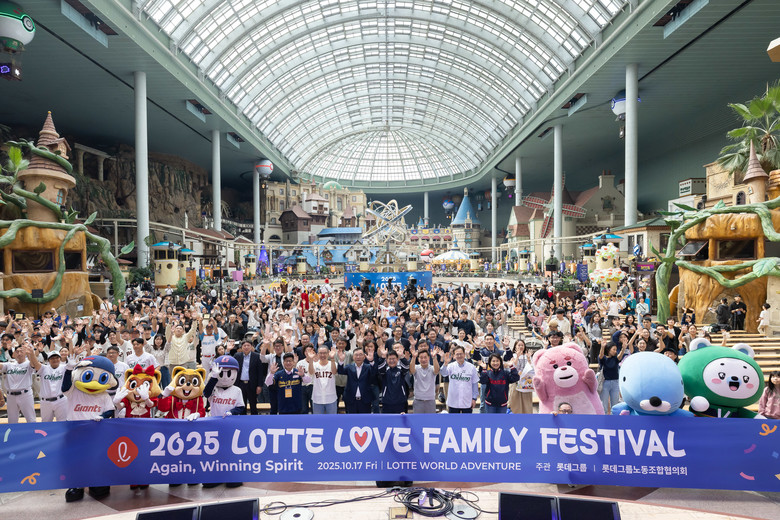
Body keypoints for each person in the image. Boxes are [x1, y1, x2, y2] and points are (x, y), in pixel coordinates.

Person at [27, 348, 67, 422]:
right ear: (48, 360)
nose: (55, 360)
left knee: (62, 423)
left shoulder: (64, 367)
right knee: (45, 423)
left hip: (61, 400)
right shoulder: (44, 368)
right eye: (52, 358)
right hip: (46, 402)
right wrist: (32, 353)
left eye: (57, 358)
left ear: (60, 359)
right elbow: (35, 363)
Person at [0, 345, 36, 423]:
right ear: (14, 354)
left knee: (31, 419)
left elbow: (34, 364)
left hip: (25, 394)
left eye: (21, 351)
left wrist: (31, 353)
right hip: (11, 396)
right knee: (12, 421)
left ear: (25, 353)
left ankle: (33, 432)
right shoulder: (9, 364)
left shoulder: (28, 363)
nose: (19, 353)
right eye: (17, 352)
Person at [439, 346, 479, 413]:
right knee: (454, 419)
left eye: (461, 354)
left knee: (467, 419)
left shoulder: (471, 367)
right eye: (457, 354)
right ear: (454, 356)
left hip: (467, 400)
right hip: (453, 401)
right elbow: (443, 373)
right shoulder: (450, 366)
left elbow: (475, 384)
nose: (459, 356)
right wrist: (445, 363)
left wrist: (474, 398)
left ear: (464, 354)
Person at [337, 347, 376, 414]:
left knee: (365, 419)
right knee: (351, 419)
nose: (358, 357)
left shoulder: (368, 367)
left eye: (360, 355)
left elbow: (374, 372)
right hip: (351, 399)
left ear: (364, 357)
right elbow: (340, 371)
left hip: (365, 400)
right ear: (353, 357)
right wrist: (341, 361)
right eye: (356, 355)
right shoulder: (349, 367)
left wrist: (371, 361)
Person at [234, 340, 264, 414]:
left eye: (248, 345)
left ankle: (254, 420)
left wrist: (259, 385)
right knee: (241, 405)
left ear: (251, 347)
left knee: (253, 405)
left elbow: (260, 372)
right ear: (242, 347)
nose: (246, 347)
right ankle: (243, 420)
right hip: (240, 384)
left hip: (252, 384)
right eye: (244, 345)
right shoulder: (237, 356)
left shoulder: (256, 356)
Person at [598, 341, 627, 413]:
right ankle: (604, 418)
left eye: (616, 349)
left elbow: (620, 356)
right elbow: (600, 356)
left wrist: (623, 348)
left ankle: (614, 418)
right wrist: (602, 347)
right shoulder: (604, 358)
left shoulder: (615, 358)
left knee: (615, 404)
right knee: (604, 404)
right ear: (608, 350)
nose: (615, 351)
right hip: (605, 383)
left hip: (615, 383)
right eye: (613, 349)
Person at [308, 345, 338, 414]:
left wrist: (332, 358)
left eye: (324, 353)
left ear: (328, 353)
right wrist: (311, 359)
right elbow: (311, 372)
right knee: (318, 420)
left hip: (331, 398)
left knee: (332, 419)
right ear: (317, 354)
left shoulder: (333, 363)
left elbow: (334, 372)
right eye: (320, 353)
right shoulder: (314, 364)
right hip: (317, 398)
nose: (322, 355)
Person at [409, 347, 440, 413]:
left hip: (430, 400)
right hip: (418, 400)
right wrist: (413, 357)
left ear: (428, 358)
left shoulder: (432, 368)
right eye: (421, 357)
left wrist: (434, 357)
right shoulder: (416, 367)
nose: (423, 359)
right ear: (418, 359)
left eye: (425, 357)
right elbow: (411, 370)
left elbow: (437, 370)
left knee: (430, 419)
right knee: (418, 419)